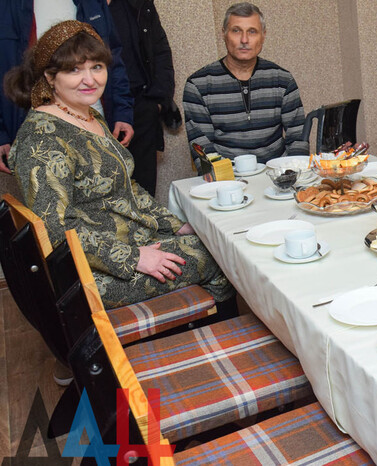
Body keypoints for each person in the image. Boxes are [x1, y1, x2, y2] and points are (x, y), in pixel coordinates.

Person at [4, 20, 234, 308]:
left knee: (218, 240)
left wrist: (174, 225)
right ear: (50, 77)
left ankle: (194, 324)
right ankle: (208, 332)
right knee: (219, 257)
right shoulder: (42, 137)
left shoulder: (87, 115)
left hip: (126, 240)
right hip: (90, 276)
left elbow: (126, 187)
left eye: (97, 67)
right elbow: (55, 229)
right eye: (74, 70)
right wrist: (134, 257)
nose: (90, 79)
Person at [1, 0, 134, 174]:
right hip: (31, 127)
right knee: (50, 200)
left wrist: (123, 111)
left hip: (94, 119)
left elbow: (112, 54)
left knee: (107, 194)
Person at [80, 0, 180, 197]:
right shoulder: (74, 4)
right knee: (101, 191)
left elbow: (161, 53)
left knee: (143, 189)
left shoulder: (138, 4)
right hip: (94, 107)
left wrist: (157, 102)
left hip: (140, 108)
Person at [183, 2, 308, 163]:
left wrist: (290, 173)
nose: (244, 40)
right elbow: (203, 151)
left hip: (277, 172)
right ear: (224, 34)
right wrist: (229, 178)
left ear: (263, 36)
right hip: (227, 175)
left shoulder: (282, 80)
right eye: (236, 31)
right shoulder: (198, 85)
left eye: (252, 31)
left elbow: (298, 138)